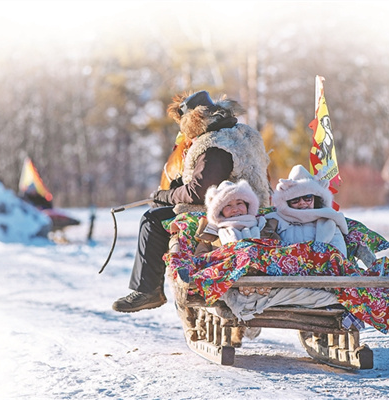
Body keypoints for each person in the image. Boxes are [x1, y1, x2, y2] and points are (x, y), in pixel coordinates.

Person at [112, 90, 271, 313]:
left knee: (152, 219)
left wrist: (164, 195)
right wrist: (180, 182)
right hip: (253, 205)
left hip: (224, 212)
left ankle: (148, 291)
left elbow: (198, 193)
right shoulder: (242, 133)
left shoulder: (214, 145)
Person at [267, 164, 348, 256]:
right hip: (285, 268)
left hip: (321, 268)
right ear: (287, 202)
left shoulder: (328, 221)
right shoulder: (275, 220)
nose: (302, 202)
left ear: (316, 199)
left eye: (307, 197)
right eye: (295, 199)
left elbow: (339, 256)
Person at [191, 179, 279, 256]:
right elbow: (200, 259)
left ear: (247, 205)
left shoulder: (264, 227)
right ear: (220, 211)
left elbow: (280, 253)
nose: (235, 209)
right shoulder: (211, 233)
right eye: (228, 205)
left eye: (239, 203)